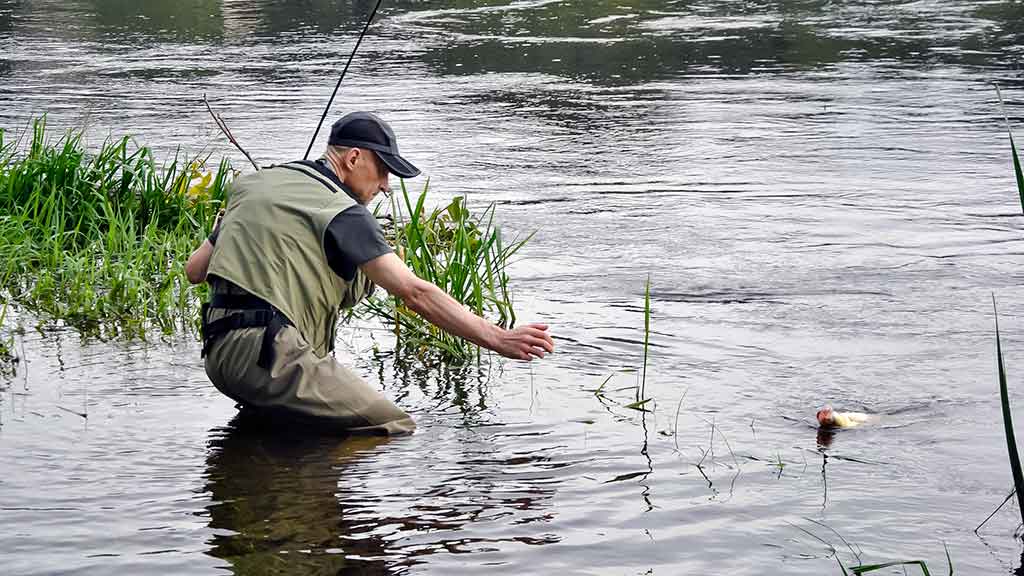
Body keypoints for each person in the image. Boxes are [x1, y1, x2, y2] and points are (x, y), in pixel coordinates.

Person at [185, 111, 554, 435]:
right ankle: (320, 498)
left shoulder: (254, 185)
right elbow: (415, 292)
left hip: (218, 354)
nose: (385, 186)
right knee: (390, 425)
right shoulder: (344, 210)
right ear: (354, 158)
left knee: (278, 430)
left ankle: (283, 491)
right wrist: (497, 338)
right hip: (269, 357)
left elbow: (195, 270)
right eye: (383, 171)